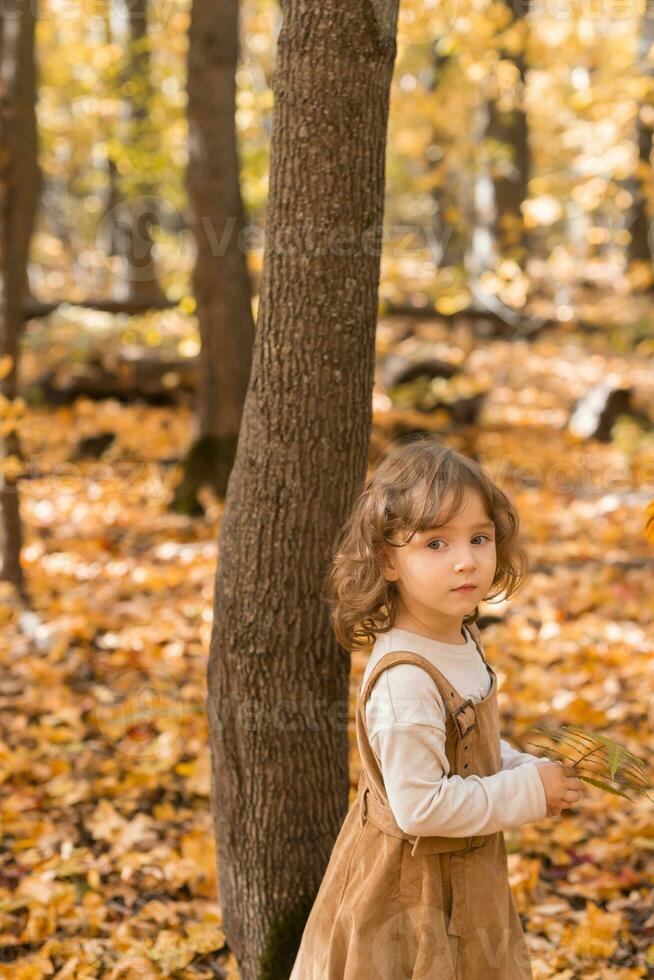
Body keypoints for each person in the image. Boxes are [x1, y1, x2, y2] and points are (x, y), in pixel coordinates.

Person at [289, 436, 585, 979]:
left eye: (479, 538)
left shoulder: (458, 636)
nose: (465, 561)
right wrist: (526, 793)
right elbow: (420, 808)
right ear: (387, 560)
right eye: (435, 545)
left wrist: (521, 767)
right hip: (410, 892)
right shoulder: (406, 681)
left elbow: (460, 751)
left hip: (465, 876)